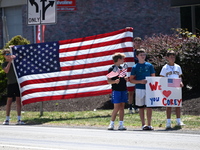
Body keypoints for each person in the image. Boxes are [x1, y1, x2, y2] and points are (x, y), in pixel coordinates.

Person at [130, 48, 155, 130]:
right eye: (141, 55)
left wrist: (151, 82)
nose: (143, 56)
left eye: (144, 54)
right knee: (141, 107)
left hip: (149, 88)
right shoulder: (135, 67)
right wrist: (140, 82)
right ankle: (143, 124)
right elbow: (131, 80)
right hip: (139, 88)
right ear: (137, 56)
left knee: (149, 106)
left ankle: (149, 124)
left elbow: (153, 77)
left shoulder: (149, 65)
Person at [160, 50, 185, 129]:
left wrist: (181, 82)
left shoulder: (178, 67)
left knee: (177, 104)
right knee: (169, 105)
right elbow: (161, 78)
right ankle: (168, 122)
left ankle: (178, 120)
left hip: (177, 87)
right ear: (167, 58)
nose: (172, 58)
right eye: (171, 57)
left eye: (174, 57)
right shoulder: (165, 67)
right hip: (169, 88)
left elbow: (180, 76)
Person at [1, 49, 25, 125]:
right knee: (9, 101)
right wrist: (10, 62)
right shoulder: (4, 63)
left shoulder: (15, 63)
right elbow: (6, 71)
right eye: (7, 55)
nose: (8, 56)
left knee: (18, 101)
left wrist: (15, 57)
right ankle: (7, 119)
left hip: (17, 83)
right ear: (4, 56)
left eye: (9, 54)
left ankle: (19, 119)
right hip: (10, 84)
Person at [107, 52, 128, 130]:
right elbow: (109, 81)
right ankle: (111, 124)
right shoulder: (112, 69)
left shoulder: (122, 69)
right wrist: (114, 82)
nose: (123, 60)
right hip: (116, 90)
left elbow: (124, 77)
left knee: (122, 107)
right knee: (116, 107)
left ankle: (121, 124)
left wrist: (126, 79)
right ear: (118, 59)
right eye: (122, 59)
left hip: (123, 89)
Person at [128, 37, 142, 114]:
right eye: (136, 42)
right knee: (131, 91)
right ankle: (130, 107)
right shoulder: (131, 52)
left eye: (138, 42)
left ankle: (137, 106)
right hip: (132, 72)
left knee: (138, 90)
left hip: (139, 72)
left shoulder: (142, 52)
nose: (137, 44)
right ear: (133, 43)